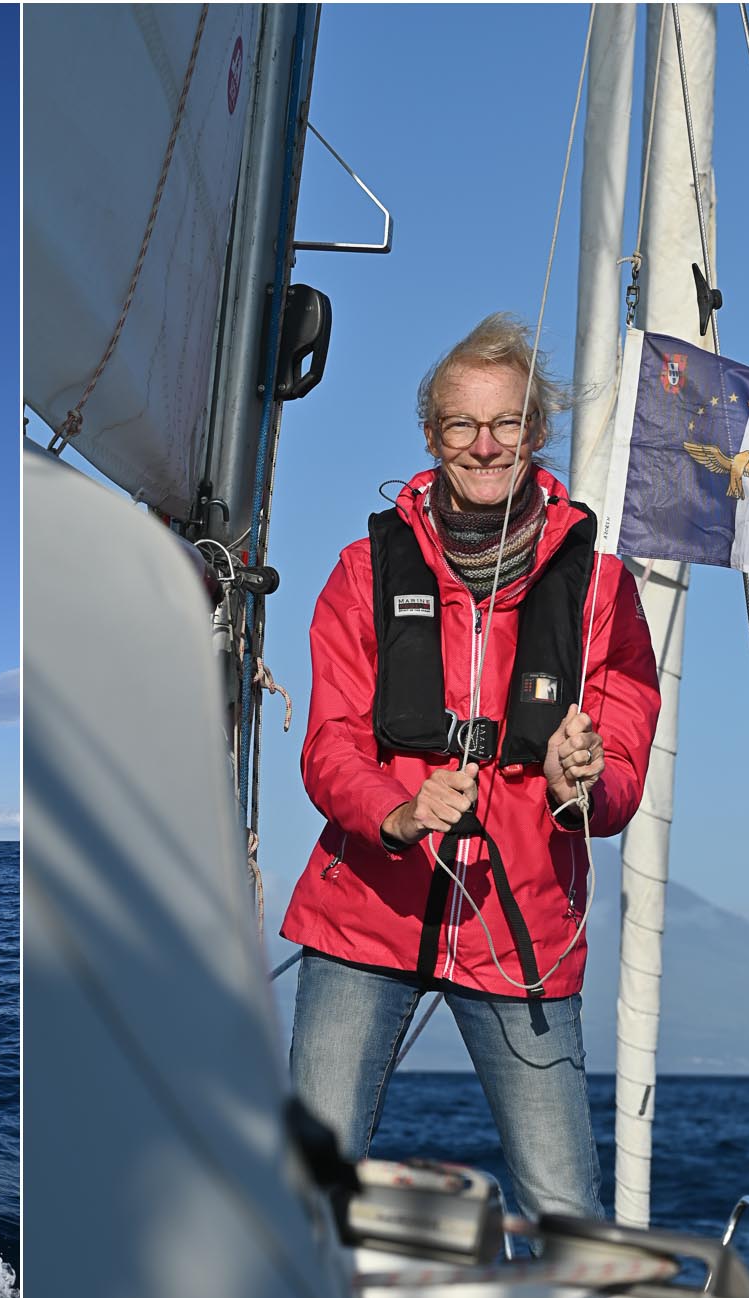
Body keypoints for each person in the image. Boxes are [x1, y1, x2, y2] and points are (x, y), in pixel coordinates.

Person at [282, 313, 660, 1224]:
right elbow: (329, 743)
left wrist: (583, 780)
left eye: (506, 425)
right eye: (462, 425)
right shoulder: (362, 572)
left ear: (536, 434)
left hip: (522, 929)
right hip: (367, 914)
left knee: (564, 1211)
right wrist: (399, 811)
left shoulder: (602, 589)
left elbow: (622, 764)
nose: (485, 446)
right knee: (305, 1197)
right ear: (431, 436)